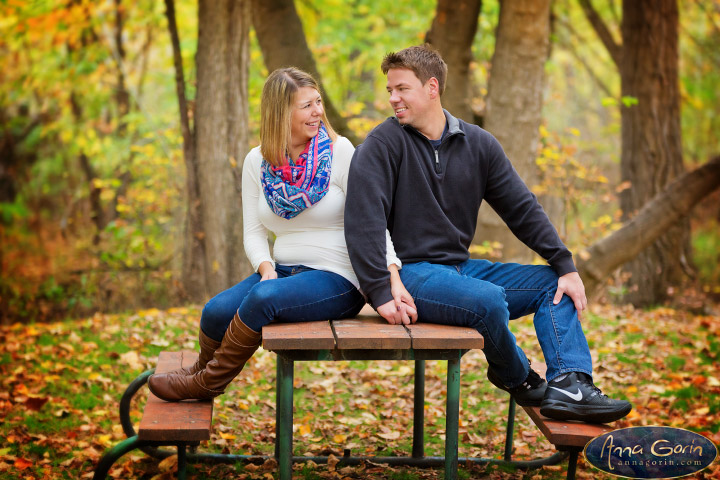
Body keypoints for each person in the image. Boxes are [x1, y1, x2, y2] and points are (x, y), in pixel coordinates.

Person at [344, 45, 632, 424]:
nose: (393, 98)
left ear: (432, 88)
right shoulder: (383, 143)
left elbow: (522, 208)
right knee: (489, 300)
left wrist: (565, 264)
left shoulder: (479, 144)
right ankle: (518, 377)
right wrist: (380, 290)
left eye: (402, 89)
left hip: (461, 269)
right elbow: (363, 220)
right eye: (390, 91)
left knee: (551, 283)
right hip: (412, 276)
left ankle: (570, 382)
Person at [148, 67, 402, 401]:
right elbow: (253, 232)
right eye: (306, 106)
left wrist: (391, 276)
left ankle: (206, 383)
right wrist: (267, 269)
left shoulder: (341, 153)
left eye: (318, 102)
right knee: (214, 311)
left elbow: (373, 221)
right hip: (283, 271)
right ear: (280, 113)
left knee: (263, 299)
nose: (318, 113)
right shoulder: (257, 162)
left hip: (339, 277)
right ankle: (199, 370)